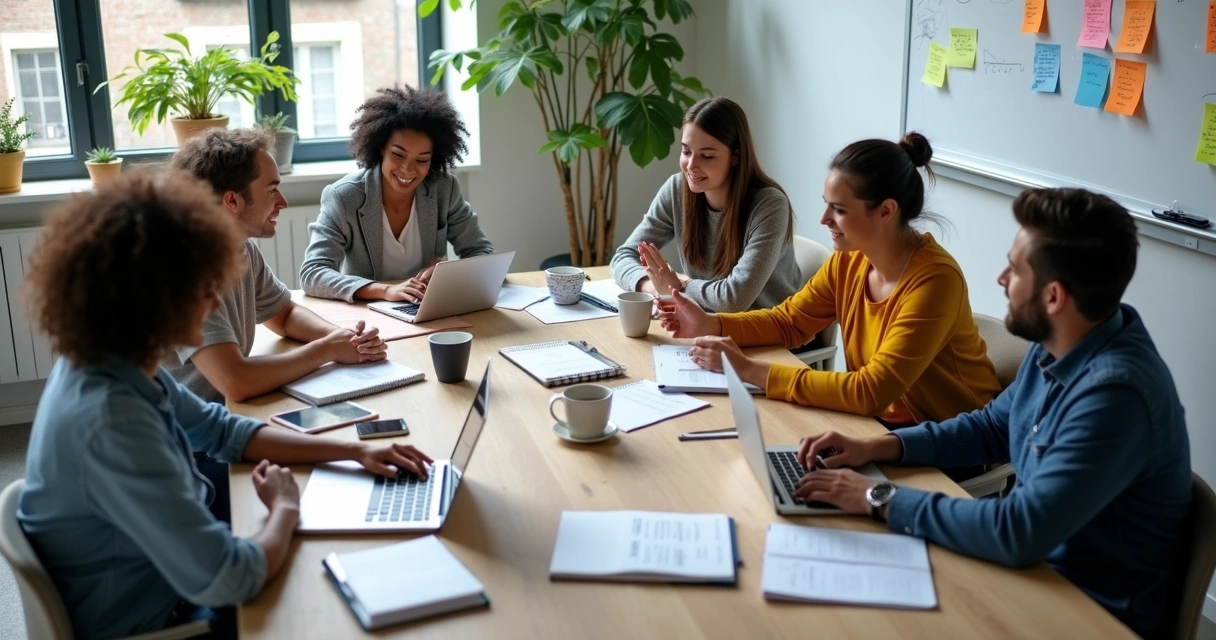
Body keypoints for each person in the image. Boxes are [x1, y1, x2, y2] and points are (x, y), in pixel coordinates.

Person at [17, 171, 434, 640]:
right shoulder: (114, 421)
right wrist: (285, 508)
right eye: (203, 289)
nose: (216, 304)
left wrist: (354, 452)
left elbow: (224, 431)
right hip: (161, 622)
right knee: (324, 602)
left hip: (162, 583)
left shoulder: (115, 360)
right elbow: (231, 578)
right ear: (151, 301)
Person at [793, 188, 1191, 639]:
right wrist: (880, 446)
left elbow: (1019, 531)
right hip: (1030, 576)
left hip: (1081, 611)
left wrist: (877, 497)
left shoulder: (1115, 398)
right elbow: (991, 426)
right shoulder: (1064, 341)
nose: (1001, 278)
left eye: (1015, 269)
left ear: (1054, 297)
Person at [660, 133, 1001, 427]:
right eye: (827, 205)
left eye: (839, 209)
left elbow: (869, 392)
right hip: (878, 427)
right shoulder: (850, 259)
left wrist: (748, 370)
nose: (824, 219)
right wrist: (712, 323)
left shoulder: (935, 281)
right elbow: (789, 322)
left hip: (948, 440)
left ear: (885, 211)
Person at [165, 128, 388, 404]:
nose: (283, 202)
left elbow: (284, 314)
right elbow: (236, 381)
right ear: (232, 200)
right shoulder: (184, 271)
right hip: (181, 427)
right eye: (271, 190)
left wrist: (343, 337)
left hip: (223, 411)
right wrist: (327, 350)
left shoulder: (242, 249)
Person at [300, 85, 494, 303]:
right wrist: (384, 291)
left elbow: (482, 252)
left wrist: (448, 275)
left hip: (426, 308)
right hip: (369, 311)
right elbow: (313, 273)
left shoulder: (444, 189)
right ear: (381, 147)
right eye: (398, 155)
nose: (407, 169)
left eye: (422, 160)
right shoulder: (344, 197)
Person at [609, 96, 801, 312]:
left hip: (769, 327)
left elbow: (734, 300)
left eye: (707, 156)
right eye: (686, 152)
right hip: (706, 321)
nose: (691, 165)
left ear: (736, 156)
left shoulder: (770, 206)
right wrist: (654, 287)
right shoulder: (676, 190)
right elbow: (623, 257)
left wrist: (678, 286)